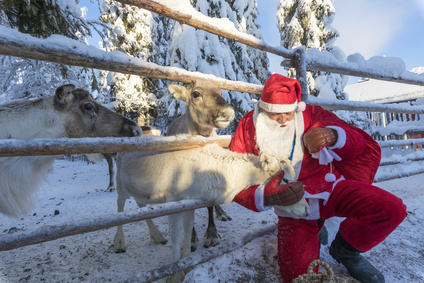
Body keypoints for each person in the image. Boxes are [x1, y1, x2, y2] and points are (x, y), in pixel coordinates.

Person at [229, 73, 407, 283]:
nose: (284, 119)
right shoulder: (248, 127)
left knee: (391, 209)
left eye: (288, 112)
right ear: (263, 108)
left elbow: (358, 141)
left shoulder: (311, 114)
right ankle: (315, 229)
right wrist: (266, 196)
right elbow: (234, 176)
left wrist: (332, 135)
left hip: (332, 190)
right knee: (299, 277)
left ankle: (346, 250)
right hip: (293, 210)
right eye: (276, 114)